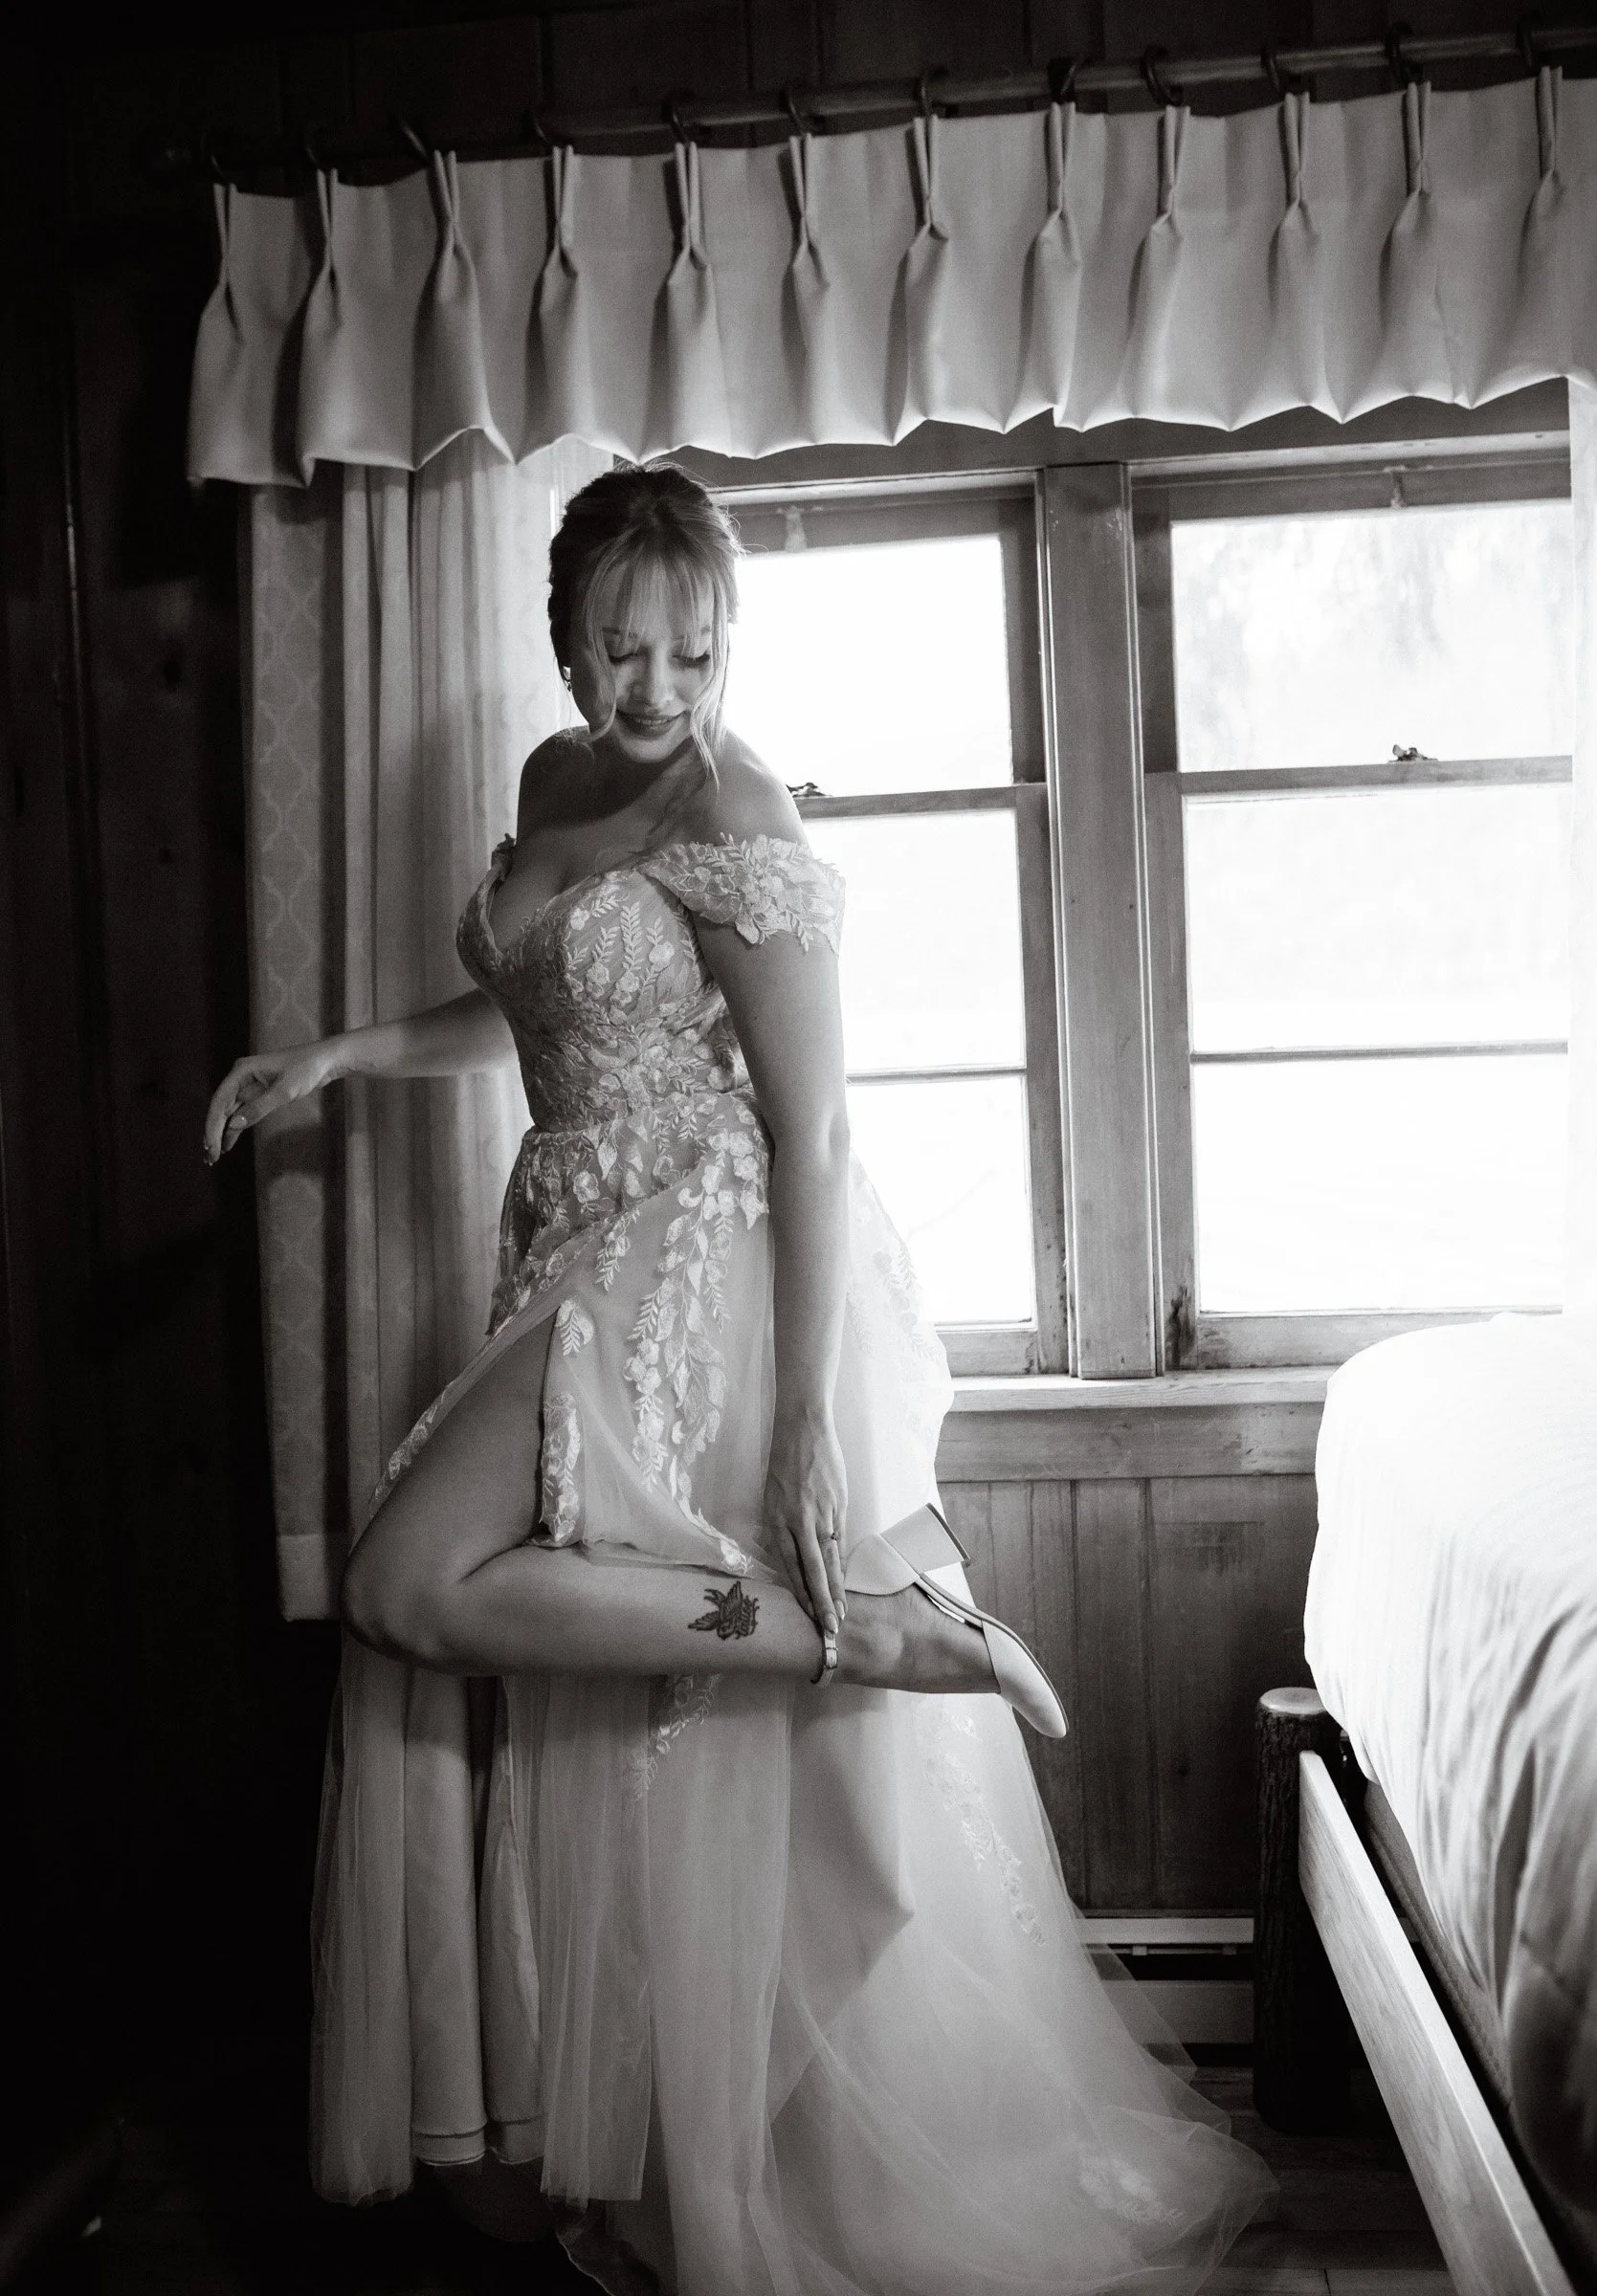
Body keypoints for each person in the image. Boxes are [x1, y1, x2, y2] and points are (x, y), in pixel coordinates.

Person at [206, 462, 1274, 2294]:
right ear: (565, 642)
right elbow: (546, 1002)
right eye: (622, 650)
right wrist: (344, 1053)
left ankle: (856, 1631)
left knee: (410, 1585)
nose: (656, 689)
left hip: (700, 1259)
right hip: (563, 1255)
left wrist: (796, 1425)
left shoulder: (734, 801)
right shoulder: (554, 783)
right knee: (610, 1733)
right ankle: (669, 2145)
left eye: (692, 652)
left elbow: (820, 1120)